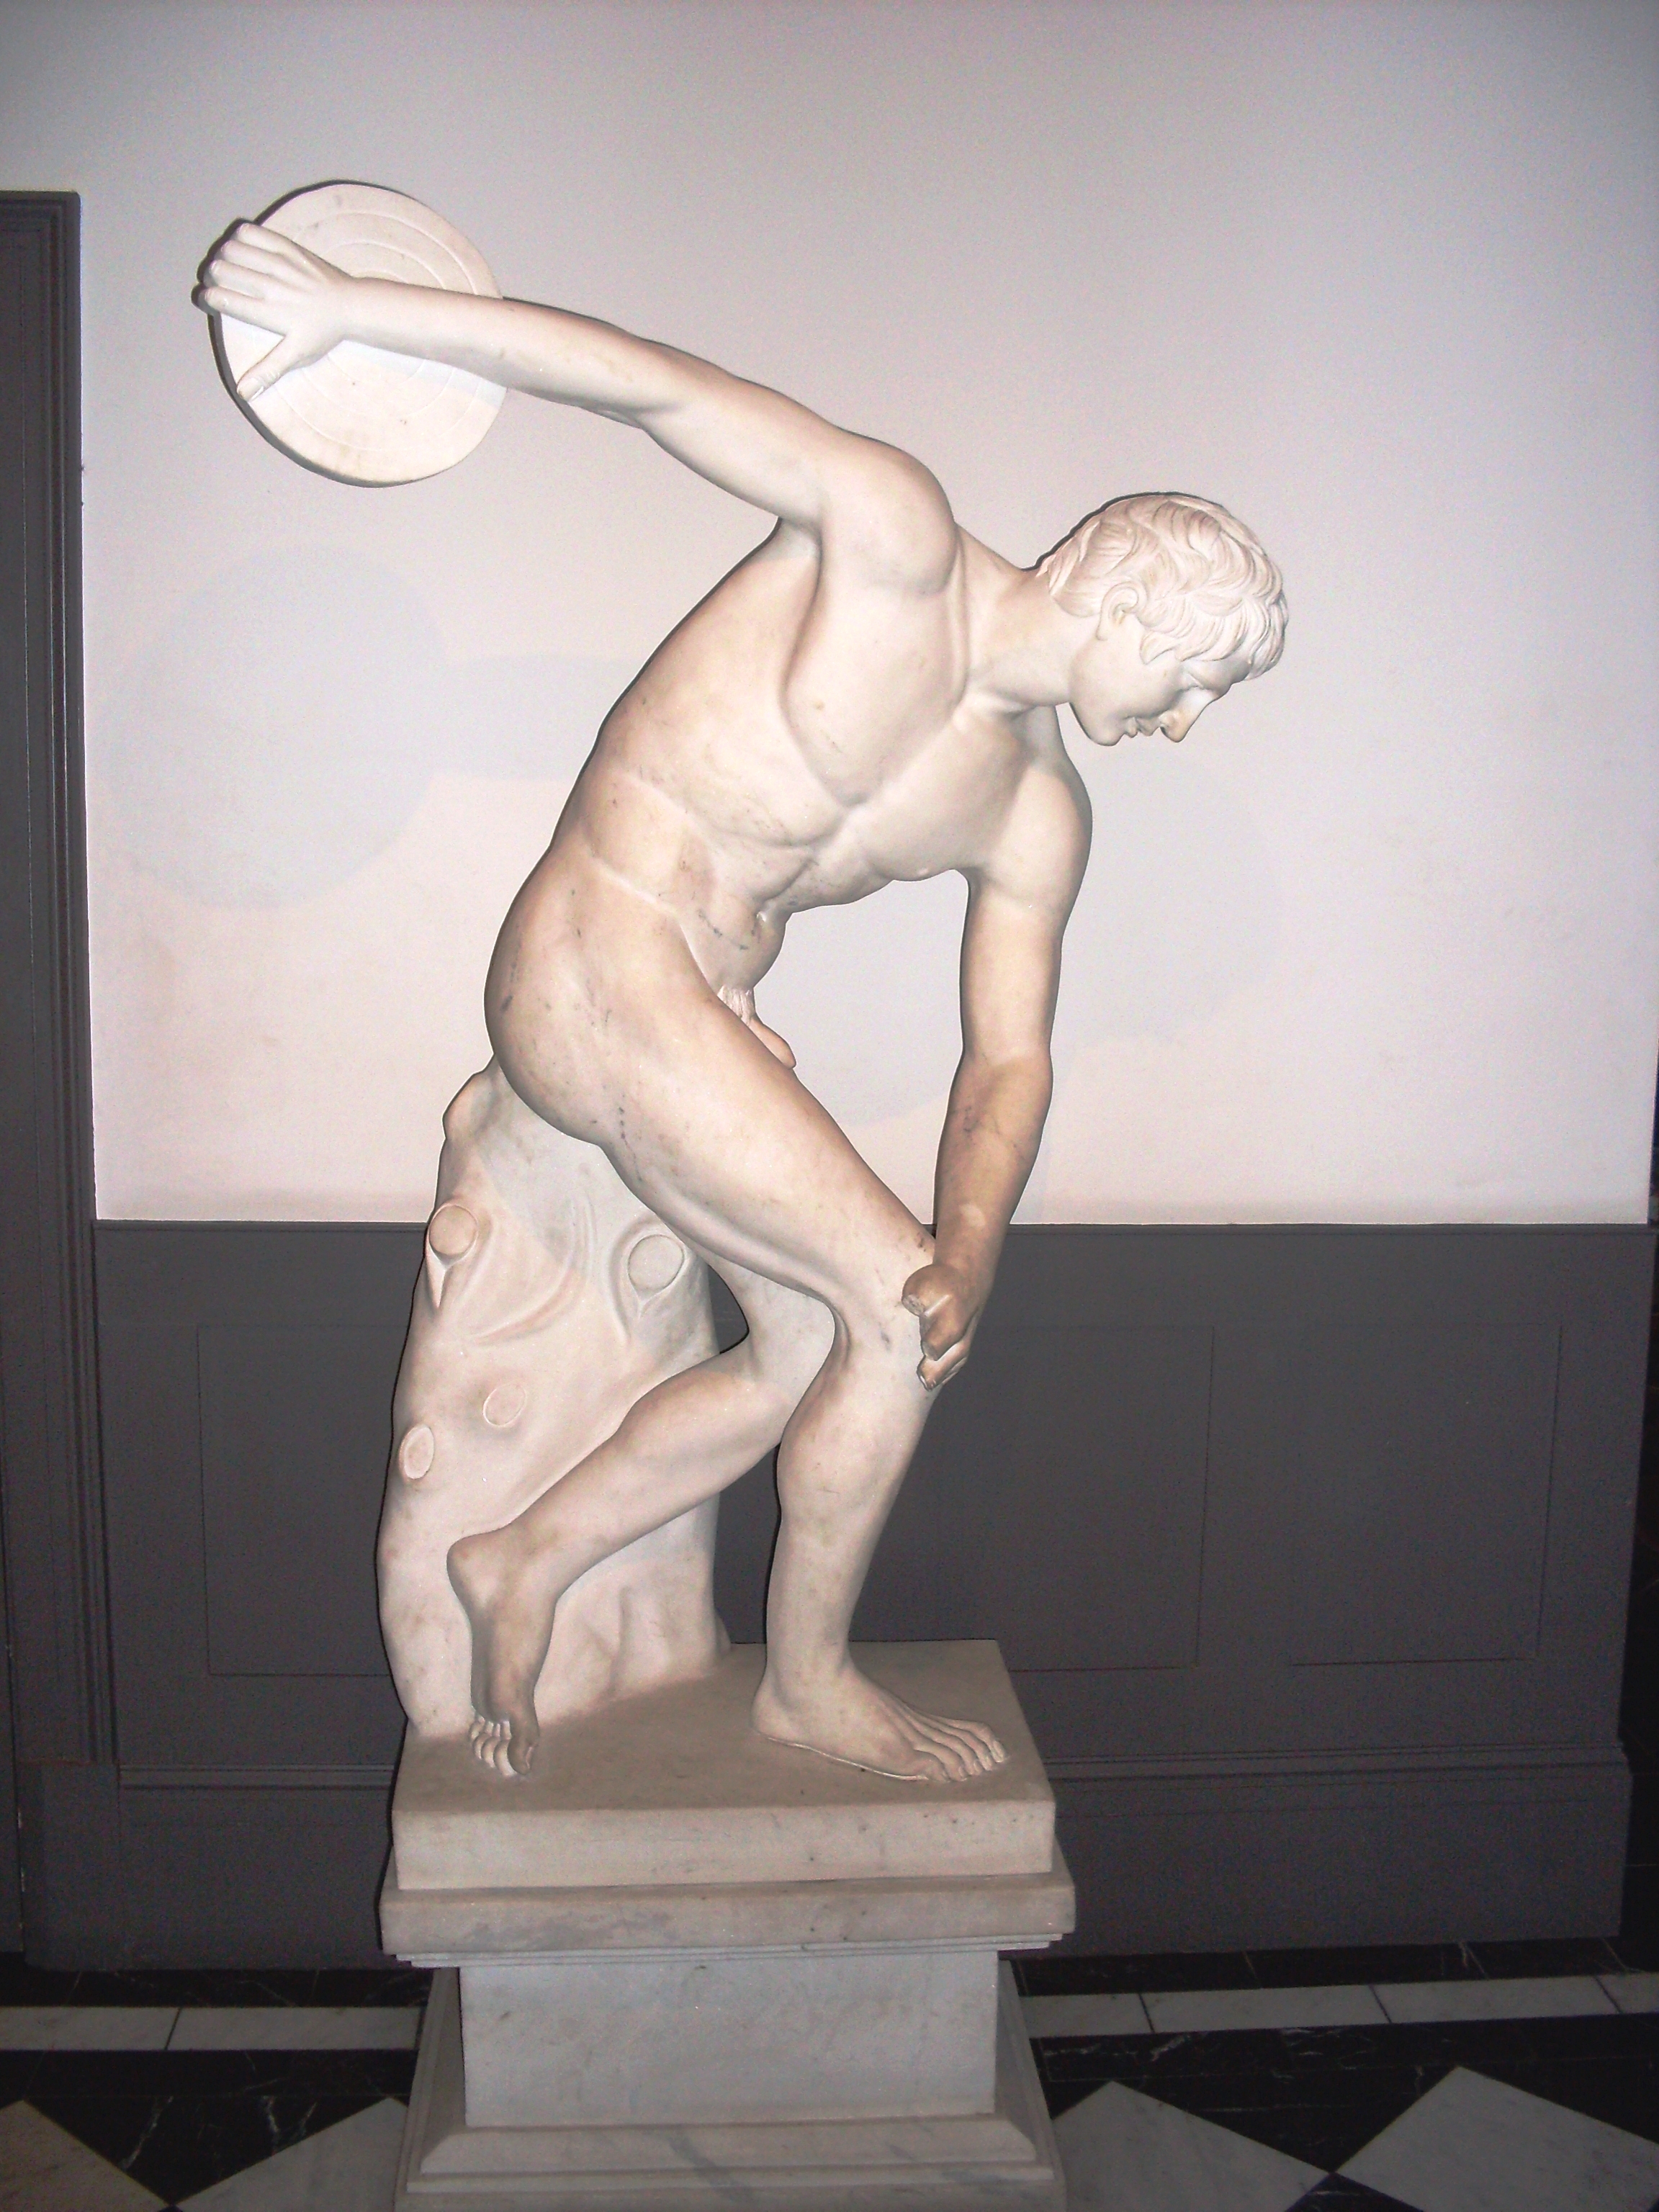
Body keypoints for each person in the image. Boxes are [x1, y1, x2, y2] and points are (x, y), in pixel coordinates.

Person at [195, 224, 1286, 1783]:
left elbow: (1008, 1061)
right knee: (883, 1318)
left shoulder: (1037, 812)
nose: (1183, 723)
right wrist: (359, 308)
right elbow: (652, 388)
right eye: (1194, 683)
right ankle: (805, 1687)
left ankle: (520, 1560)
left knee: (812, 1350)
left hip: (689, 1010)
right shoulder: (895, 538)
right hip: (596, 959)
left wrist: (970, 1243)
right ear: (1132, 612)